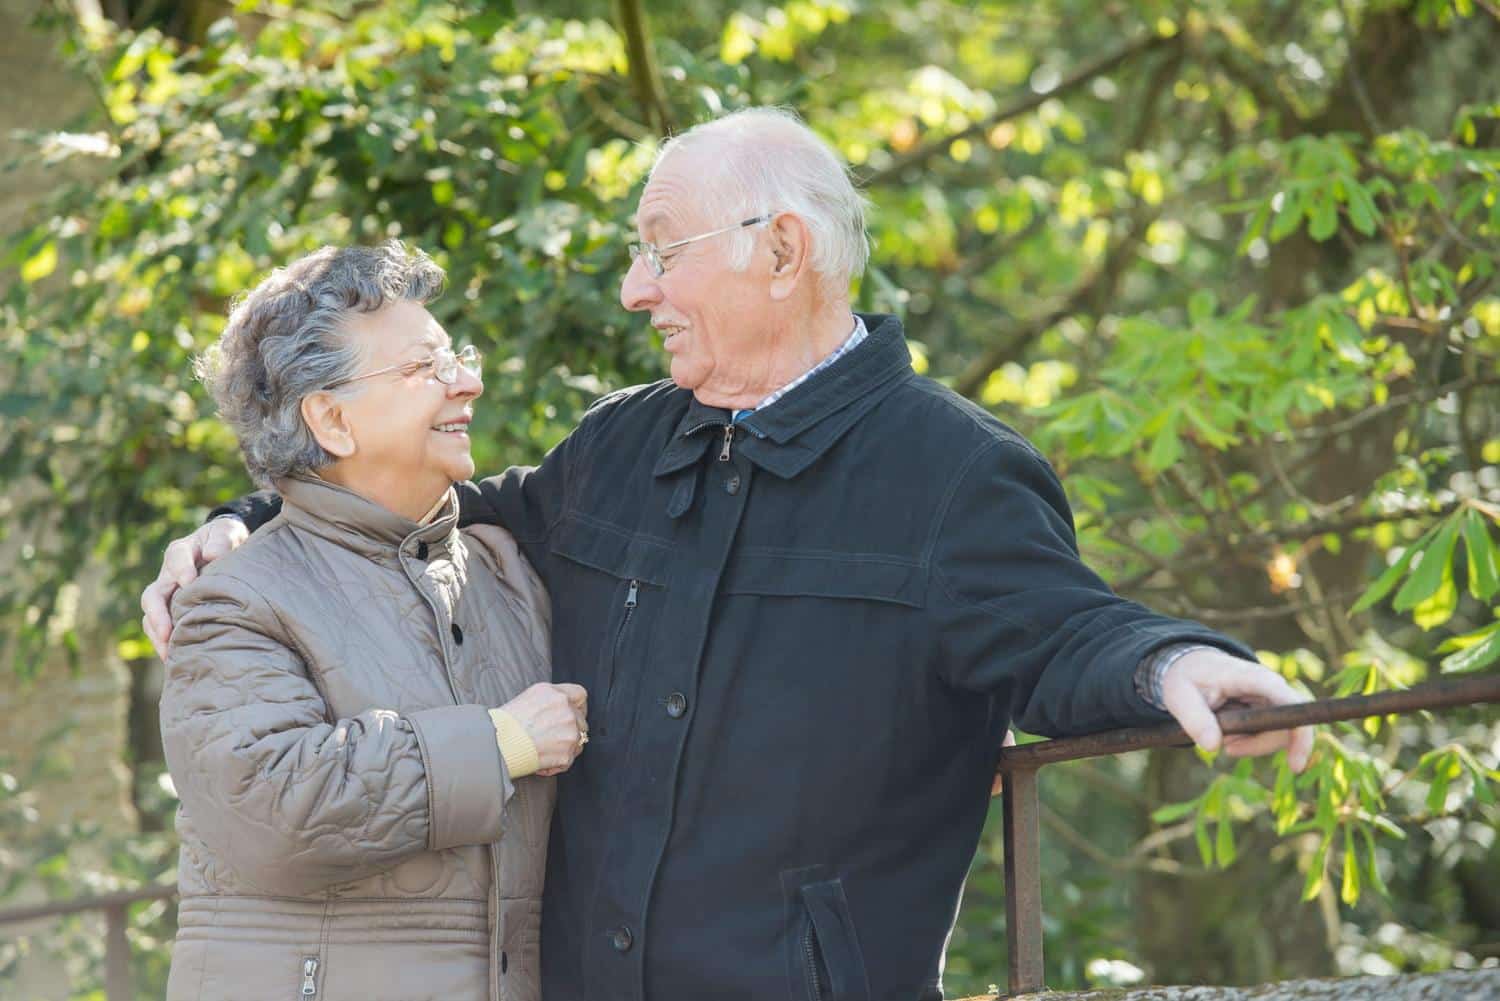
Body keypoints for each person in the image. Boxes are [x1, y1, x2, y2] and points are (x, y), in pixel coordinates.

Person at [144, 110, 1314, 1001]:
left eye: (661, 251)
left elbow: (1060, 625)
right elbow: (441, 510)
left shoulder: (951, 473)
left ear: (782, 250)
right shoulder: (627, 437)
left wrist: (1175, 663)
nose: (634, 288)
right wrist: (245, 521)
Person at [155, 242, 588, 1001]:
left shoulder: (509, 572)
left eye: (461, 358)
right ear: (331, 418)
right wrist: (502, 743)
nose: (470, 383)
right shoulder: (233, 598)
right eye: (428, 368)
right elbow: (272, 807)